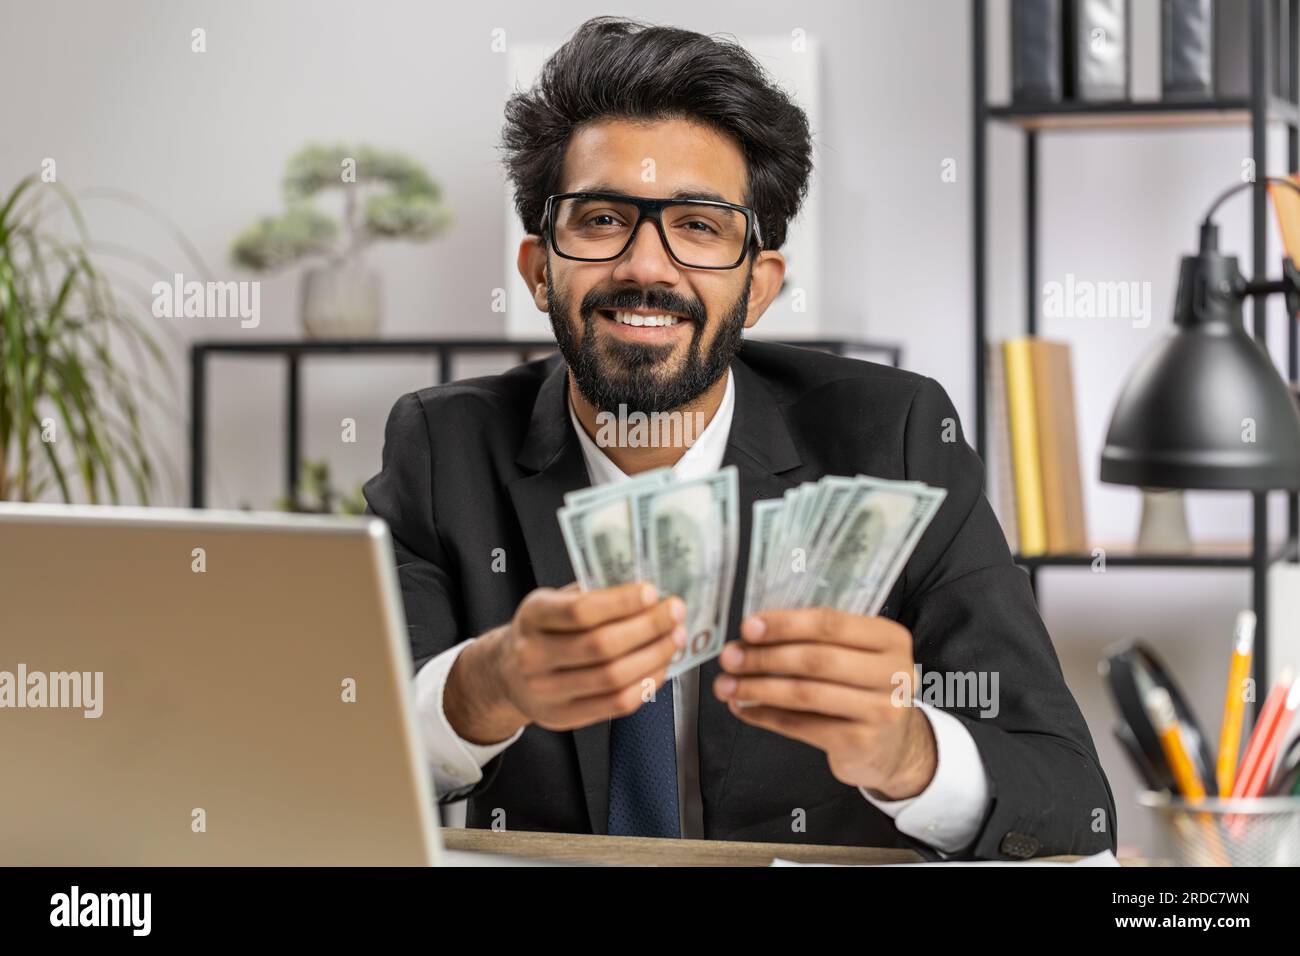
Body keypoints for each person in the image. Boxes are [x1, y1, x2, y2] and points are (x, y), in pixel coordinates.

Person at [363, 16, 1116, 859]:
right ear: (541, 268)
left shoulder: (896, 438)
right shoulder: (442, 447)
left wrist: (911, 754)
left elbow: (1075, 804)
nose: (647, 266)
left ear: (758, 288)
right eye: (604, 218)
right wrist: (482, 689)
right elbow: (340, 772)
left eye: (698, 225)